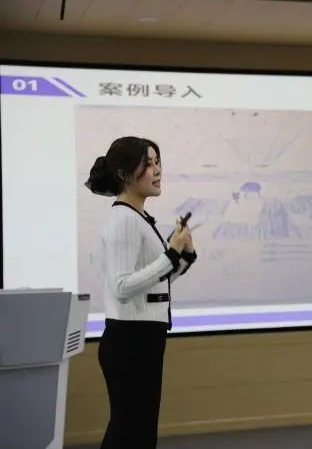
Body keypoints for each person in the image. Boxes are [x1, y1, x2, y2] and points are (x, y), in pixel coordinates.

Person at [84, 136, 197, 449]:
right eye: (148, 164)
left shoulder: (138, 218)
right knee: (130, 433)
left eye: (158, 162)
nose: (157, 170)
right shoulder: (123, 220)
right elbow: (122, 287)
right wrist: (170, 254)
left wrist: (183, 255)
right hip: (130, 340)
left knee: (138, 432)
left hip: (142, 338)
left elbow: (156, 282)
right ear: (124, 173)